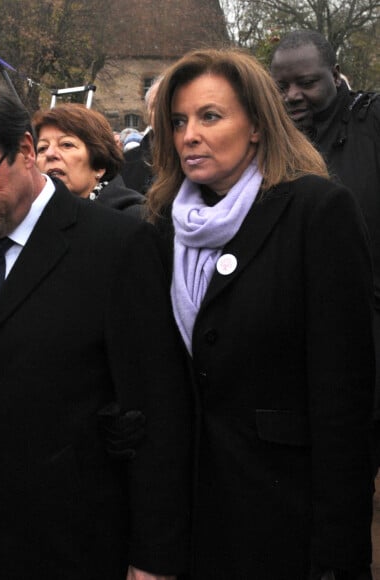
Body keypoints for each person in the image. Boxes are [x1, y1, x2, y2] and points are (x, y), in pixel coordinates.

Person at [0, 76, 190, 580]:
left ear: (25, 150)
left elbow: (158, 411)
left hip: (74, 550)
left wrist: (154, 557)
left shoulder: (119, 247)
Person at [148, 48, 375, 579]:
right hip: (186, 513)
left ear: (256, 125)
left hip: (282, 515)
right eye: (178, 121)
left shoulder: (316, 212)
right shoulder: (161, 225)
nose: (189, 136)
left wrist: (339, 554)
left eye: (210, 116)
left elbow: (344, 399)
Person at [270, 30, 380, 445]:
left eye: (307, 82)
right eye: (282, 86)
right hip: (321, 338)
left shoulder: (372, 121)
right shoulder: (273, 145)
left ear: (336, 75)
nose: (293, 95)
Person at [33, 103, 145, 218]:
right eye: (42, 148)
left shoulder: (134, 219)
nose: (50, 154)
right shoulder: (32, 217)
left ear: (99, 164)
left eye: (66, 145)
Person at [121, 76, 162, 195]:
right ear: (148, 113)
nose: (161, 111)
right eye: (155, 106)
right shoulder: (127, 163)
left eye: (167, 104)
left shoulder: (197, 160)